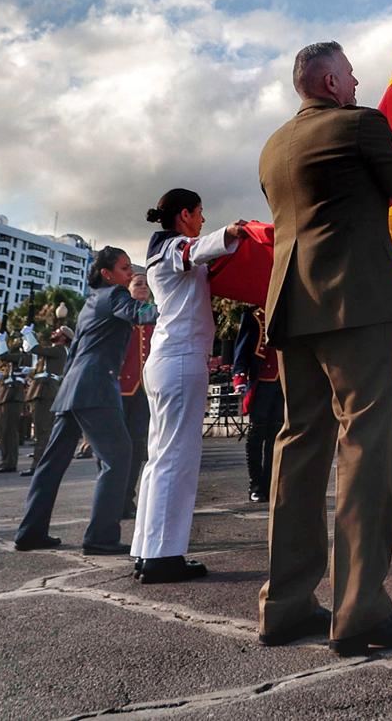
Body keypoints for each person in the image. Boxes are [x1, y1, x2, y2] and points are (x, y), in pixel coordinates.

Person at [257, 40, 392, 654]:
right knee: (365, 444)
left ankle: (284, 604)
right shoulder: (362, 126)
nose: (359, 81)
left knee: (299, 448)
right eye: (352, 73)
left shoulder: (273, 147)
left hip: (291, 308)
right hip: (355, 304)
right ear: (331, 81)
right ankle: (361, 609)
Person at [134, 189, 254, 584]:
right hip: (180, 361)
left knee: (159, 459)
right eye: (200, 212)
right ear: (184, 214)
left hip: (171, 361)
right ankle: (164, 556)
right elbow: (194, 251)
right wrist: (232, 232)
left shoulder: (164, 250)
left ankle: (148, 550)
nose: (203, 219)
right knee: (176, 460)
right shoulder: (172, 248)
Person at [14, 246, 157, 558]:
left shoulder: (92, 302)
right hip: (96, 389)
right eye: (124, 268)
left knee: (51, 464)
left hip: (72, 389)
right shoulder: (116, 296)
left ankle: (30, 532)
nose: (130, 273)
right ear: (107, 274)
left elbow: (76, 350)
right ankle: (101, 537)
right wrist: (148, 297)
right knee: (118, 458)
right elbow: (145, 316)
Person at [230, 304, 281, 503]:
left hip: (282, 383)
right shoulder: (253, 315)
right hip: (261, 383)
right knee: (257, 434)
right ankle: (256, 485)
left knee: (276, 437)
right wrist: (239, 378)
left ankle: (270, 484)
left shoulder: (289, 309)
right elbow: (241, 349)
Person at [22, 328, 69, 475]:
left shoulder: (60, 350)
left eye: (57, 332)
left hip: (46, 392)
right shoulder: (54, 351)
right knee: (41, 431)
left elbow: (36, 348)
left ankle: (39, 466)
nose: (53, 333)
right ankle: (40, 464)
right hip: (41, 392)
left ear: (64, 338)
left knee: (43, 431)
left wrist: (29, 334)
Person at [118, 315, 152, 515]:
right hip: (119, 388)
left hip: (143, 390)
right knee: (116, 447)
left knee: (137, 445)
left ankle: (127, 497)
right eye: (137, 283)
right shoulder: (119, 312)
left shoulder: (151, 316)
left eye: (144, 284)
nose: (142, 287)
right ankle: (113, 497)